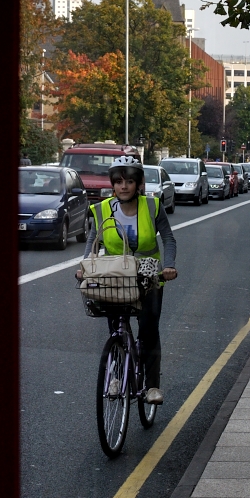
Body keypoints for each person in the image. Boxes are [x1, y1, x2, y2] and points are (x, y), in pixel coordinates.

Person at [76, 156, 177, 405]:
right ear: (113, 185)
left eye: (129, 181)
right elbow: (92, 242)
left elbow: (168, 239)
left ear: (139, 184)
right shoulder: (102, 209)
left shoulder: (153, 206)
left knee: (149, 330)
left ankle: (152, 386)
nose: (124, 186)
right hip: (116, 276)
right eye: (119, 181)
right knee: (117, 328)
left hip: (149, 277)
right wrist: (84, 266)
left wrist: (170, 266)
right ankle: (116, 377)